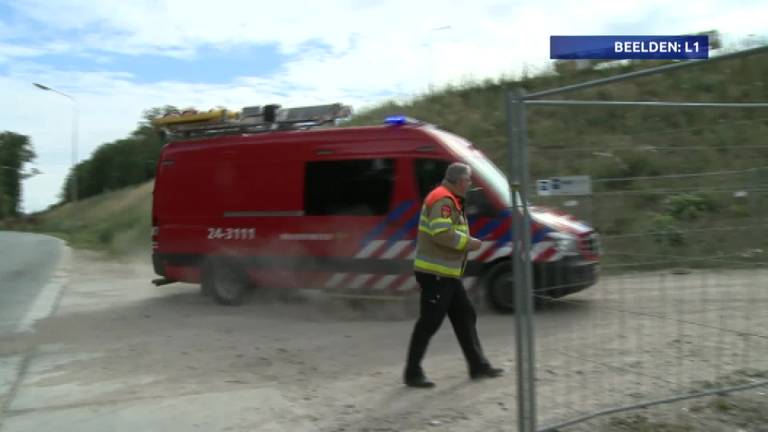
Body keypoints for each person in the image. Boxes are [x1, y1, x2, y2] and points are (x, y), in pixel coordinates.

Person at [404, 162, 503, 388]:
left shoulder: (448, 197)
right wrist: (469, 244)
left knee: (465, 316)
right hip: (436, 274)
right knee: (429, 323)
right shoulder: (443, 200)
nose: (470, 184)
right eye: (468, 180)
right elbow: (441, 233)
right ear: (460, 181)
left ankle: (478, 365)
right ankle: (412, 372)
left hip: (446, 274)